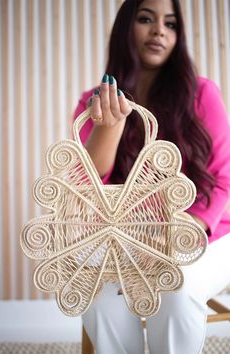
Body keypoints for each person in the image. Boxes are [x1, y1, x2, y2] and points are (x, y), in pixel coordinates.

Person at [73, 0, 230, 353]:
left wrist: (173, 242)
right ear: (125, 29)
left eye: (171, 24)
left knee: (175, 285)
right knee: (98, 288)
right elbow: (87, 190)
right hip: (127, 239)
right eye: (146, 19)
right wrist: (109, 128)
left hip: (208, 234)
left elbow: (222, 180)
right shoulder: (92, 104)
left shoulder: (202, 93)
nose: (160, 30)